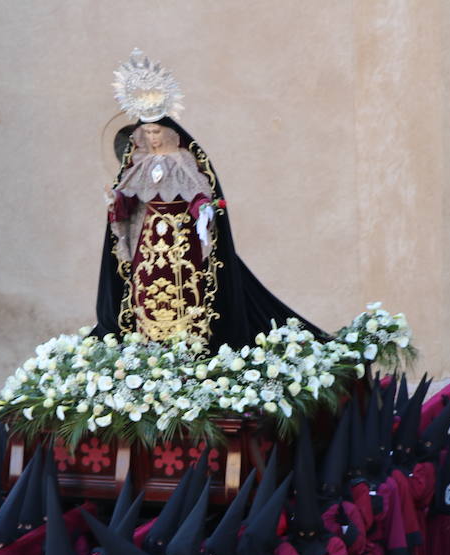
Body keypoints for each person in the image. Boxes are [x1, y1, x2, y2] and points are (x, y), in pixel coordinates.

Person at [93, 51, 321, 349]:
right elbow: (129, 203)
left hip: (182, 239)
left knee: (186, 290)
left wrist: (203, 213)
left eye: (157, 131)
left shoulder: (185, 160)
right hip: (148, 243)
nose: (153, 138)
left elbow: (200, 193)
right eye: (147, 131)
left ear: (169, 130)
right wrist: (117, 202)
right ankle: (150, 348)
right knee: (148, 291)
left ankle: (191, 344)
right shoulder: (139, 163)